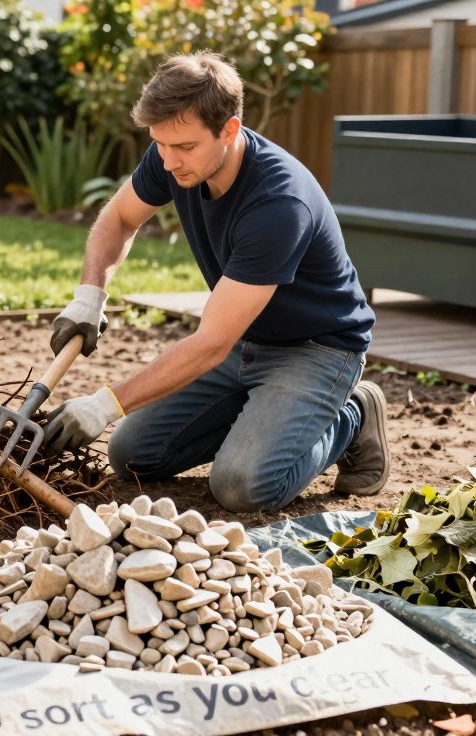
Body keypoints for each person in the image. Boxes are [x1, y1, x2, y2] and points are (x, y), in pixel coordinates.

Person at [42, 50, 389, 513]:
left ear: (229, 129)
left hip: (317, 349)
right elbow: (118, 219)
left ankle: (352, 415)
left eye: (183, 147)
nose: (168, 162)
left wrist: (104, 404)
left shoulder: (278, 204)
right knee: (132, 457)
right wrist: (89, 297)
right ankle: (267, 420)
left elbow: (209, 345)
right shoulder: (174, 154)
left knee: (241, 487)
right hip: (244, 339)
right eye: (160, 144)